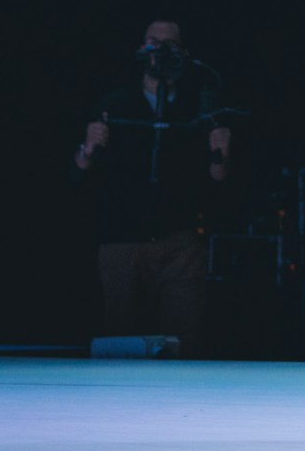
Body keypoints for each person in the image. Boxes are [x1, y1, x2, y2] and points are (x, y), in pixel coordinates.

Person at [71, 19, 234, 357]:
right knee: (119, 339)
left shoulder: (199, 110)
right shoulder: (114, 104)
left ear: (183, 54)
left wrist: (221, 156)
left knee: (185, 338)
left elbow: (218, 184)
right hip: (122, 238)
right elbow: (79, 175)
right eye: (152, 42)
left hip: (178, 241)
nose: (160, 51)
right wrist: (87, 150)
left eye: (169, 44)